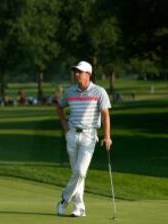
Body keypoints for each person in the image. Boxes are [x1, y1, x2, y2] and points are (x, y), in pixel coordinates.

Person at [56, 60, 112, 217]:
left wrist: (107, 136)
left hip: (89, 136)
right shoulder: (70, 92)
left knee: (80, 172)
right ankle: (79, 208)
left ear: (89, 74)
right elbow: (60, 106)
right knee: (77, 173)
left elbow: (105, 114)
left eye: (80, 72)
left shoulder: (99, 92)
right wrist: (65, 127)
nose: (76, 74)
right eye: (75, 71)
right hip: (72, 134)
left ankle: (64, 199)